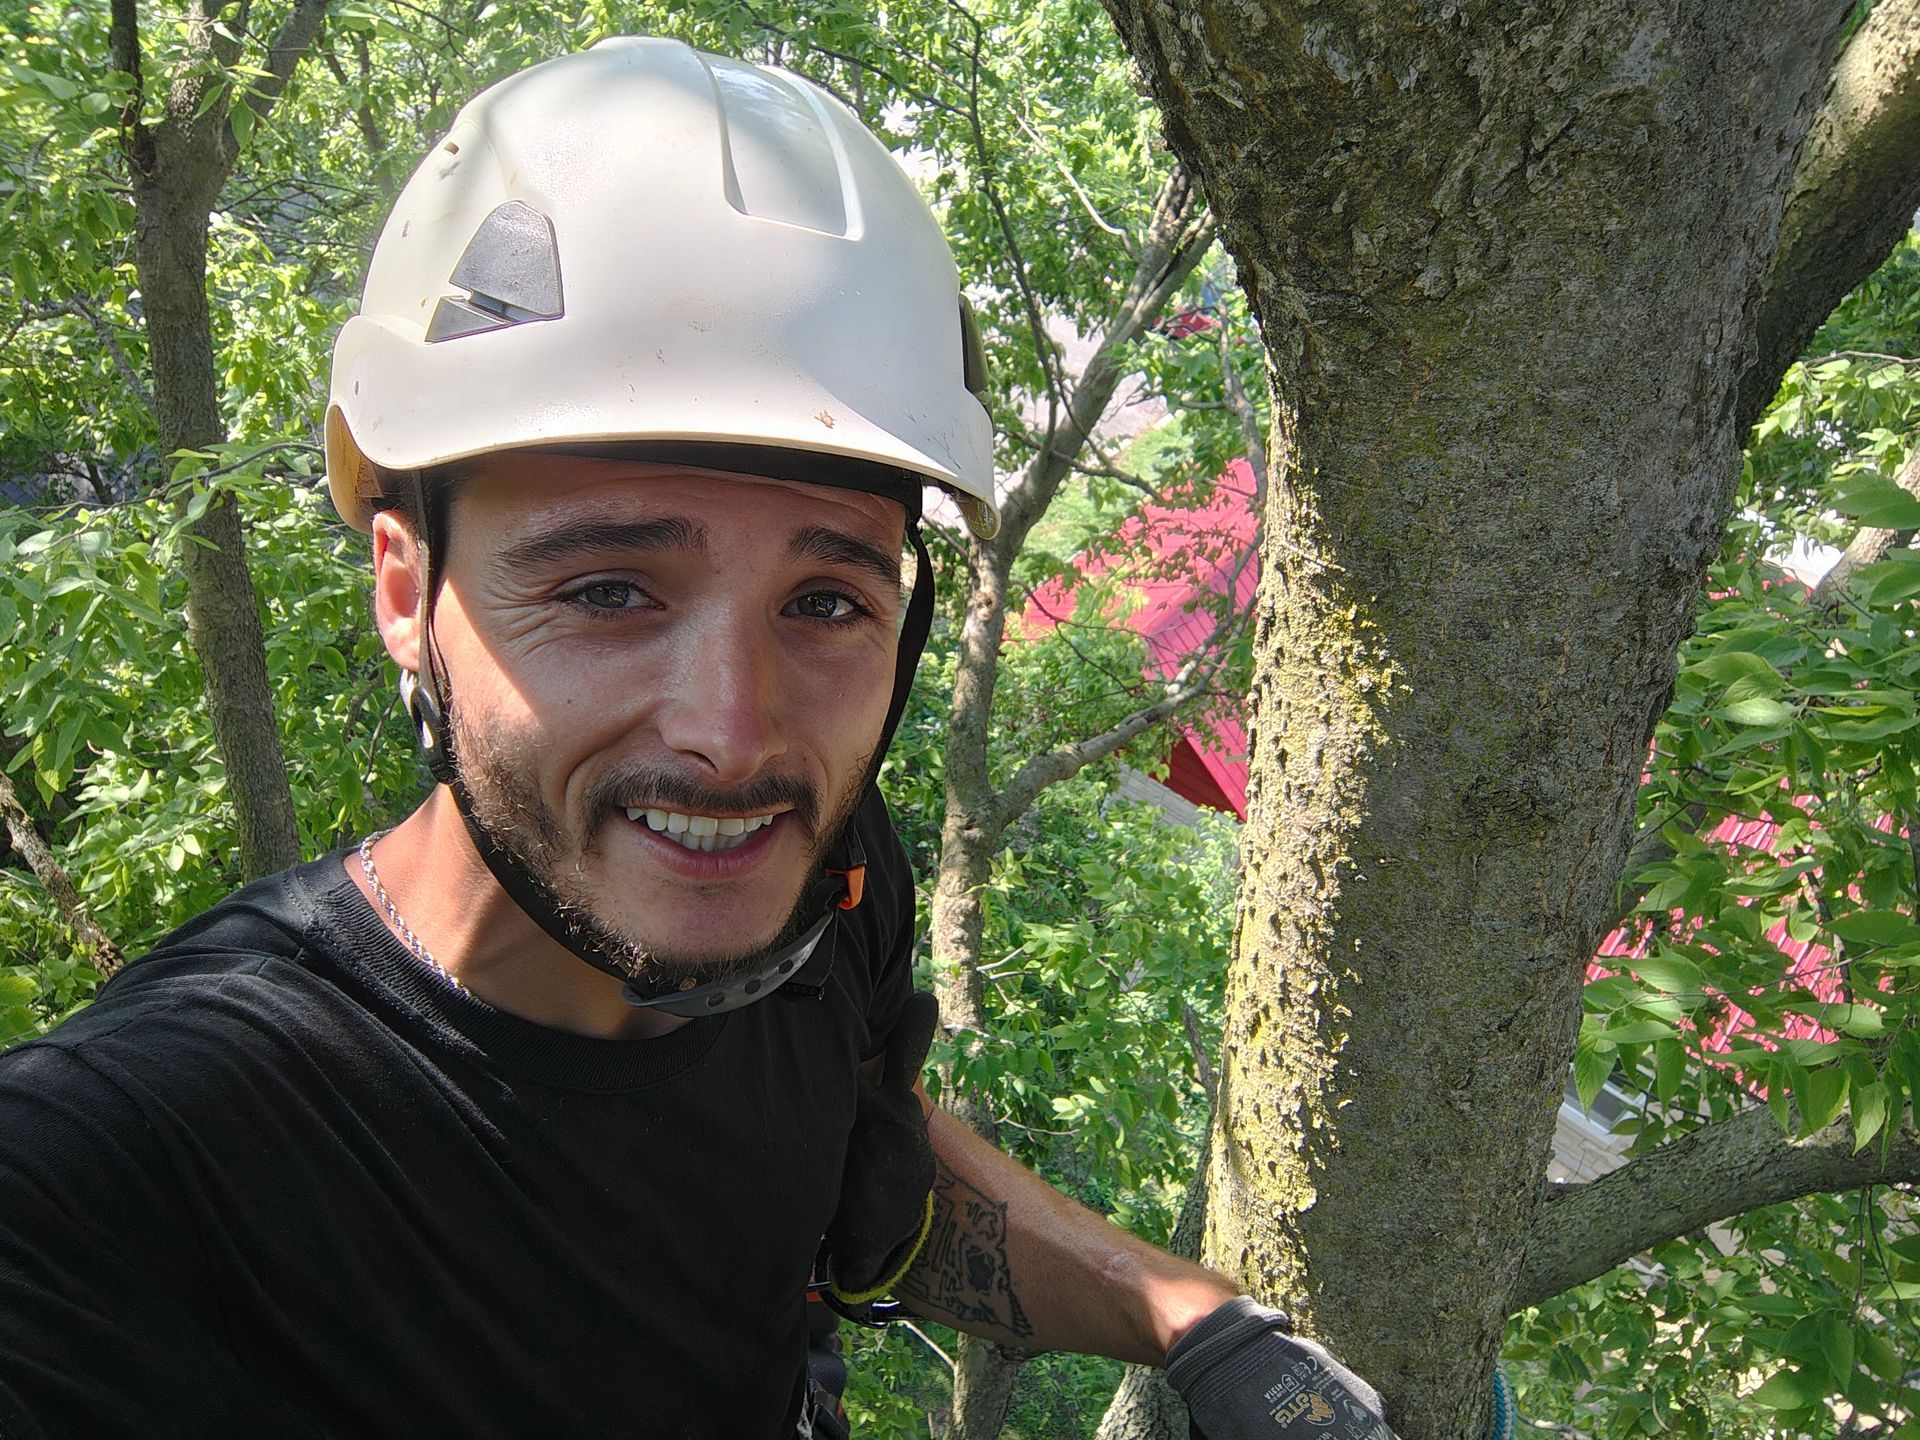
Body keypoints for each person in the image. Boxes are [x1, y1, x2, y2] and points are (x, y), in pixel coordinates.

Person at [0, 38, 1410, 1440]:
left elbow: (865, 1179)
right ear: (403, 589)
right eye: (607, 590)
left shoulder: (817, 901)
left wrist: (1193, 1321)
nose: (733, 740)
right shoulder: (116, 1178)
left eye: (824, 600)